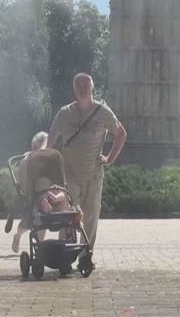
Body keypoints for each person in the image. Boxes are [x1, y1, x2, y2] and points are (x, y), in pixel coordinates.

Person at [47, 72, 127, 254]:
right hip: (69, 173)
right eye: (79, 86)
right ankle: (65, 253)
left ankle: (86, 255)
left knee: (90, 217)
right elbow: (51, 139)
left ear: (92, 88)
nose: (83, 89)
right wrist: (42, 159)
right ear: (74, 89)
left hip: (93, 173)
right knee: (67, 215)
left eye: (86, 85)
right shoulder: (64, 113)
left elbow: (121, 133)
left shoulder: (102, 112)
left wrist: (110, 158)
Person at [11, 131, 48, 253]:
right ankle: (18, 236)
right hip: (31, 196)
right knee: (28, 222)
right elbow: (24, 182)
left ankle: (40, 246)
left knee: (44, 220)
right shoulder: (27, 160)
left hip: (43, 196)